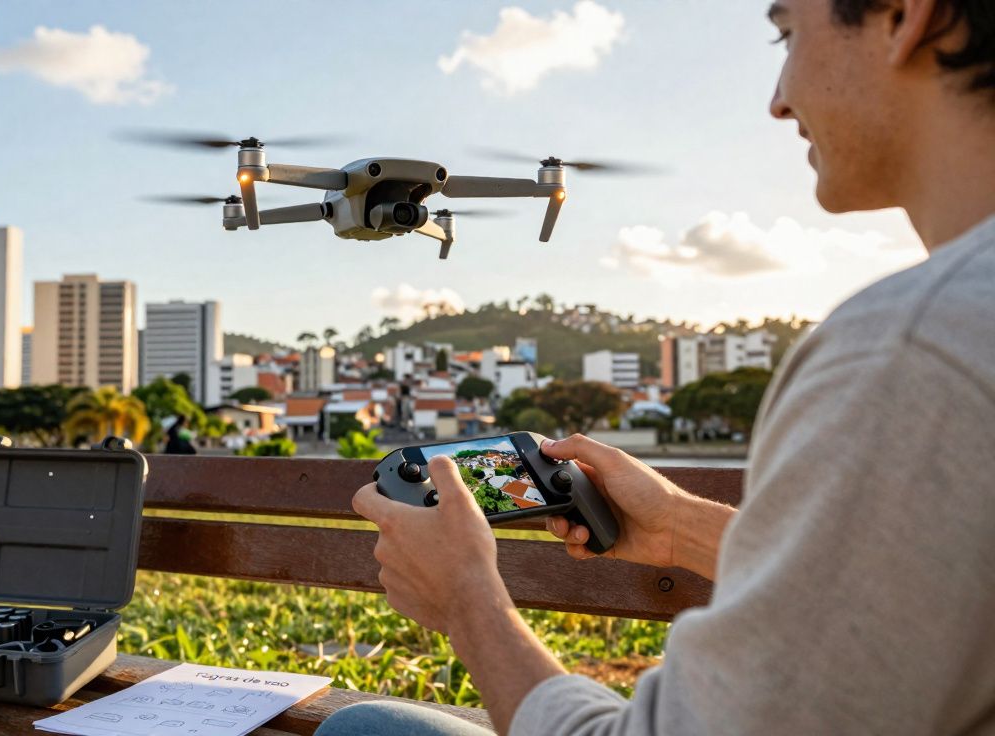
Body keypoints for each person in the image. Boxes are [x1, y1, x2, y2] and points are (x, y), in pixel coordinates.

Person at [320, 0, 995, 733]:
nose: (778, 100)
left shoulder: (910, 350)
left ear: (902, 15)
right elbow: (897, 587)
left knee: (362, 727)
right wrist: (681, 526)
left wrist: (465, 601)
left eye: (787, 33)